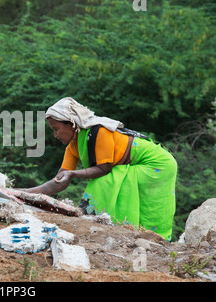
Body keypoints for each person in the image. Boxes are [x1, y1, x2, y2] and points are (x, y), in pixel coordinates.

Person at [24, 97, 177, 241]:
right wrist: (24, 193)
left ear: (71, 123)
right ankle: (137, 237)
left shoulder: (98, 131)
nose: (55, 135)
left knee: (104, 182)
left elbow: (104, 168)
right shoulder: (73, 146)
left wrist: (72, 174)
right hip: (139, 165)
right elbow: (60, 181)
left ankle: (150, 239)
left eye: (56, 129)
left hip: (157, 164)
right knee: (111, 182)